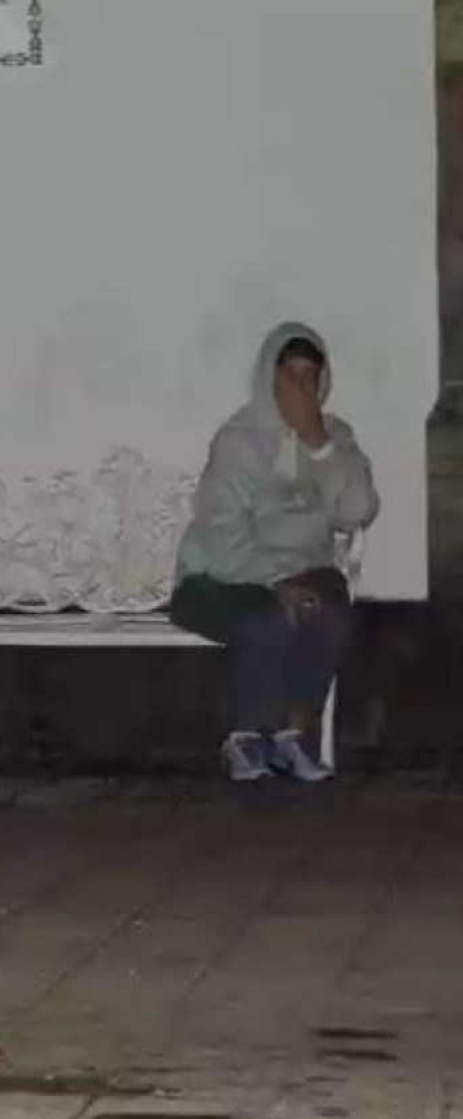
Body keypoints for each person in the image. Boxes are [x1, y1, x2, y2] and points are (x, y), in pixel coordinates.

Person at [170, 322, 378, 782]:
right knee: (268, 617)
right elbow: (222, 534)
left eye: (310, 378)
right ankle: (246, 740)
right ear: (270, 378)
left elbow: (357, 511)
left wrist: (319, 447)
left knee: (330, 602)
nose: (299, 389)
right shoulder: (239, 440)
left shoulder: (334, 437)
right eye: (289, 377)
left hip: (302, 575)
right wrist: (275, 581)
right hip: (218, 578)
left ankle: (294, 739)